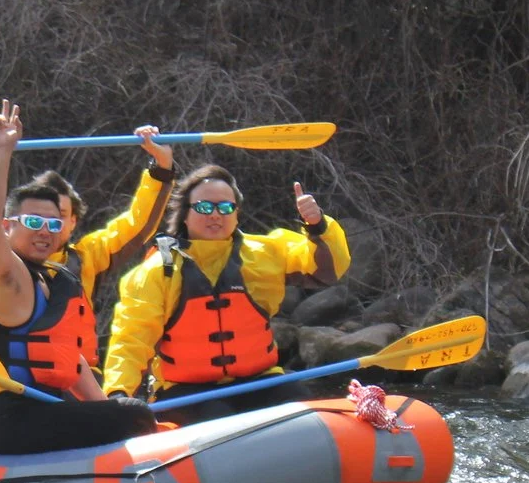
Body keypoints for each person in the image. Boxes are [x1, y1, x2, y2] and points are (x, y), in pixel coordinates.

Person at [0, 100, 162, 454]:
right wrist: (2, 151)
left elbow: (69, 360)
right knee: (135, 414)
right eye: (33, 222)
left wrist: (104, 408)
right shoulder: (6, 275)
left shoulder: (54, 277)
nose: (44, 232)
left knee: (127, 413)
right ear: (9, 227)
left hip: (44, 411)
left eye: (53, 224)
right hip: (8, 423)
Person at [101, 163, 351, 422]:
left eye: (226, 207)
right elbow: (131, 339)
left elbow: (329, 268)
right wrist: (118, 392)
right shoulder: (157, 271)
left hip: (258, 381)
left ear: (236, 213)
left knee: (300, 404)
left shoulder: (265, 254)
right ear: (185, 214)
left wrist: (318, 226)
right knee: (218, 416)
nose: (215, 215)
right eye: (204, 207)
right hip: (188, 391)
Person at [0, 126, 172, 321]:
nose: (46, 228)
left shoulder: (88, 256)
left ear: (73, 222)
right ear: (11, 224)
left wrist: (161, 168)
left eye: (58, 218)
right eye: (36, 220)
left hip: (71, 369)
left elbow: (137, 223)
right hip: (3, 370)